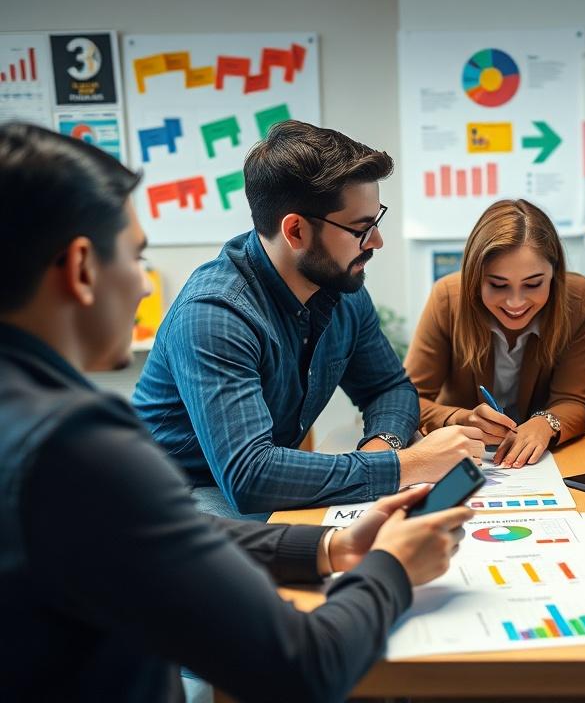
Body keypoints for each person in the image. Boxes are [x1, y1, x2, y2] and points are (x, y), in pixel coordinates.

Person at [0, 123, 472, 702]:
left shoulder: (34, 417)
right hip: (205, 490)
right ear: (80, 268)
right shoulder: (80, 440)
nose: (147, 288)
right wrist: (392, 565)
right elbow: (303, 667)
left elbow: (151, 527)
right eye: (137, 256)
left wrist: (331, 547)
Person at [133, 120, 483, 519]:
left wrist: (383, 447)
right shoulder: (215, 315)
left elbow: (388, 387)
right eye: (361, 228)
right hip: (175, 497)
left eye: (376, 222)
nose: (377, 241)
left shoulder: (340, 288)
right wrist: (409, 465)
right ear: (296, 231)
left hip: (248, 490)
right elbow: (251, 477)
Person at [405, 199, 585, 468]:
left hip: (544, 461)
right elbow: (407, 400)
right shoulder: (447, 298)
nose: (515, 302)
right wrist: (459, 418)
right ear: (475, 278)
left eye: (533, 284)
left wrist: (545, 423)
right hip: (465, 459)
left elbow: (574, 398)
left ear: (554, 274)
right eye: (498, 285)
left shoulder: (577, 299)